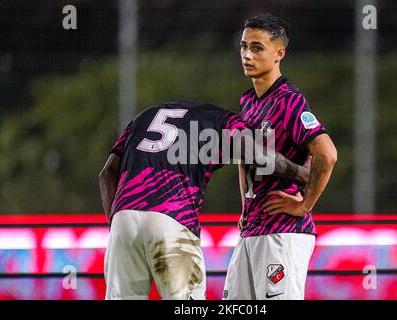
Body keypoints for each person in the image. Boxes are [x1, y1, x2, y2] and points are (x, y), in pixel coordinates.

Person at [99, 100, 311, 300]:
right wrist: (303, 174)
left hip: (122, 219)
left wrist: (116, 221)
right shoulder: (226, 121)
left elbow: (107, 173)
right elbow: (258, 155)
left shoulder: (142, 118)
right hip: (172, 215)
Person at [223, 14, 337, 300]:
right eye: (243, 46)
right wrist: (244, 207)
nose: (247, 55)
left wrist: (305, 205)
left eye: (257, 47)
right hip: (252, 229)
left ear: (279, 53)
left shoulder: (289, 100)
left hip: (282, 231)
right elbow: (243, 157)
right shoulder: (247, 101)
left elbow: (327, 153)